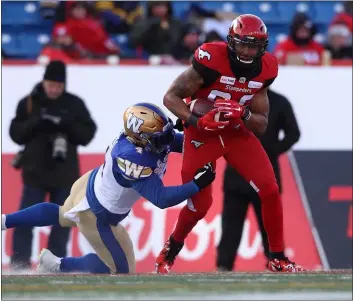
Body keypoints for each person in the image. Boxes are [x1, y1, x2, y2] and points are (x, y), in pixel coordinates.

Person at [155, 14, 304, 274]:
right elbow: (170, 97)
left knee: (269, 189)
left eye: (254, 46)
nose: (247, 52)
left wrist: (243, 113)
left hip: (235, 132)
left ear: (263, 47)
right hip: (202, 134)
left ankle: (278, 257)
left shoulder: (266, 69)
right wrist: (197, 121)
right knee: (200, 205)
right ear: (231, 42)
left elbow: (261, 123)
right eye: (243, 44)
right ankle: (170, 250)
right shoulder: (211, 60)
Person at [2, 103, 216, 274]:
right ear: (141, 138)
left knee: (61, 214)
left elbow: (182, 143)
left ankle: (4, 220)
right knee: (119, 270)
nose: (167, 141)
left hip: (89, 185)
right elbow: (162, 199)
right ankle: (57, 265)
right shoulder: (132, 157)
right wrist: (196, 184)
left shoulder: (139, 138)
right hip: (98, 215)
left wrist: (196, 127)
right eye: (161, 138)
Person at [9, 60, 97, 269]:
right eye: (51, 85)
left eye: (58, 86)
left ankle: (52, 264)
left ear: (64, 85)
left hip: (64, 176)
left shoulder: (74, 104)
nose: (54, 90)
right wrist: (37, 122)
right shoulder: (29, 103)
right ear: (44, 81)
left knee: (62, 223)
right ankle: (19, 263)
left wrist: (66, 125)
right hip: (34, 174)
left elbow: (87, 134)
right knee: (25, 220)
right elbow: (16, 134)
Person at [216, 88, 301, 271]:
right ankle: (223, 266)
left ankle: (276, 262)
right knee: (231, 227)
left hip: (266, 175)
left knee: (269, 226)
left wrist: (271, 152)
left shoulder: (280, 102)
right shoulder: (236, 100)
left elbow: (294, 133)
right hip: (236, 176)